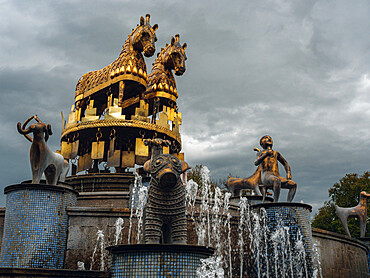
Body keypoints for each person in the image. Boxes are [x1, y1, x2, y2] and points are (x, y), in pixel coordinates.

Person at [254, 135, 297, 202]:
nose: (268, 139)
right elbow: (256, 162)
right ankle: (275, 202)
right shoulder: (261, 153)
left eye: (269, 138)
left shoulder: (276, 153)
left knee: (293, 185)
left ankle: (288, 203)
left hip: (277, 176)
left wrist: (288, 173)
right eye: (266, 138)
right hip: (266, 176)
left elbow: (285, 163)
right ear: (262, 144)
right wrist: (266, 154)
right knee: (276, 180)